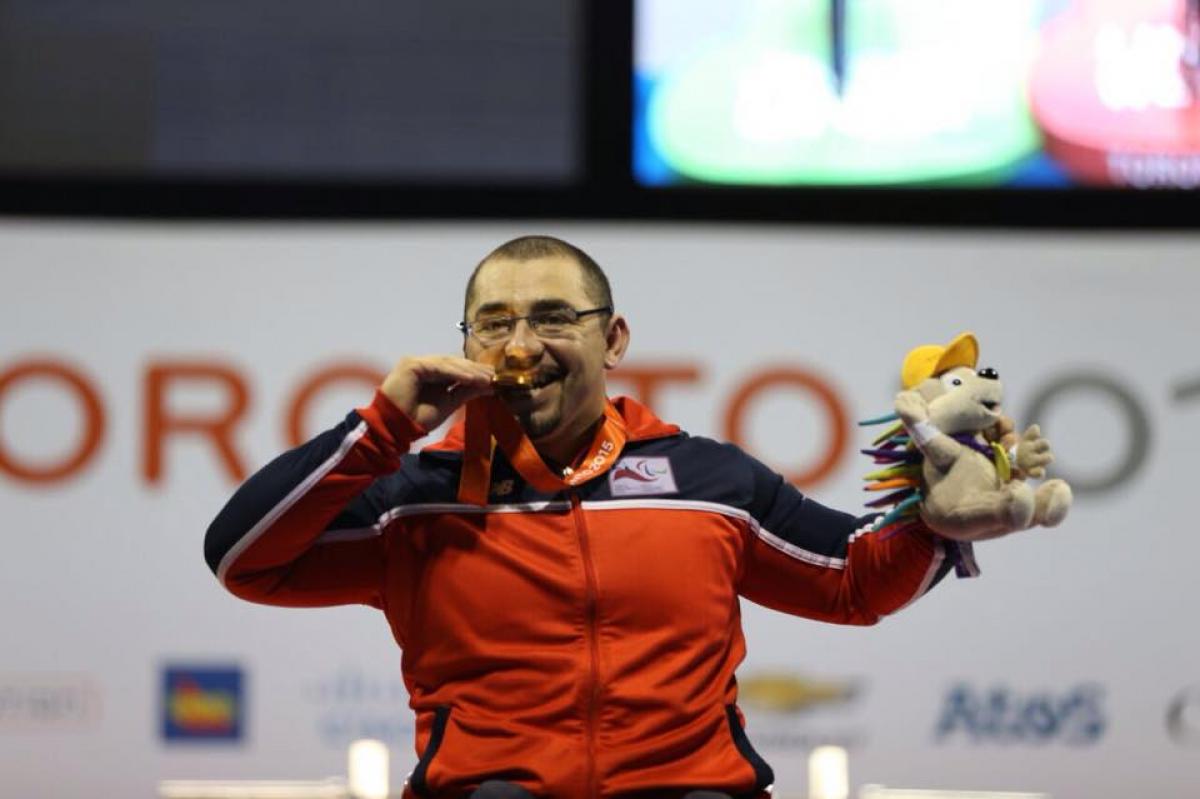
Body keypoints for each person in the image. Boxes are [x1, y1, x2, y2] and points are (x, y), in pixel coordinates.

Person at [205, 235, 958, 799]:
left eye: (554, 318)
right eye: (493, 324)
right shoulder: (414, 498)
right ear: (465, 346)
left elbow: (857, 582)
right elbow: (244, 560)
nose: (522, 346)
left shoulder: (708, 481)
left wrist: (940, 514)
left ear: (614, 338)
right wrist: (383, 428)